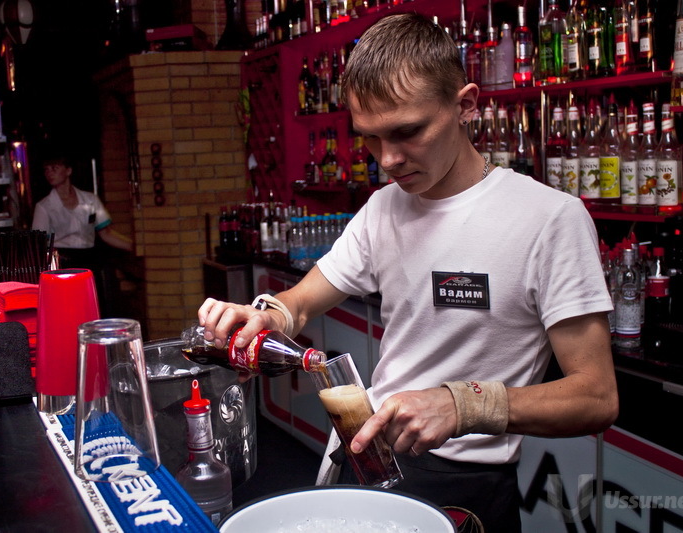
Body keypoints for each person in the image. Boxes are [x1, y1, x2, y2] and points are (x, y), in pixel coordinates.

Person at [196, 13, 618, 532]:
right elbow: (301, 302)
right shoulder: (383, 208)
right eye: (370, 138)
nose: (388, 160)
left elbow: (596, 396)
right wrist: (269, 315)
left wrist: (463, 405)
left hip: (465, 481)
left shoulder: (549, 219)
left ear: (465, 105)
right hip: (362, 452)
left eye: (408, 132)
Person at [32, 153, 133, 309]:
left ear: (68, 171)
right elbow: (40, 244)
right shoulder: (44, 207)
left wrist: (135, 247)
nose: (49, 173)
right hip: (62, 262)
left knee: (94, 305)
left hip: (89, 260)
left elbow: (106, 233)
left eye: (54, 168)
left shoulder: (90, 200)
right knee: (70, 306)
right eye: (46, 170)